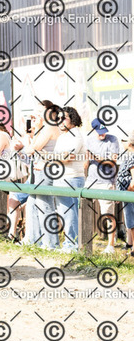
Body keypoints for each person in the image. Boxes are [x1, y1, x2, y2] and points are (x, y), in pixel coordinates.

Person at [13, 100, 61, 249]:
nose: (37, 115)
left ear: (49, 112)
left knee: (44, 205)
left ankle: (51, 243)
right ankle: (33, 239)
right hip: (37, 171)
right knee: (32, 204)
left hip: (46, 171)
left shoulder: (50, 127)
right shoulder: (43, 129)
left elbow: (32, 149)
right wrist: (30, 134)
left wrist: (25, 142)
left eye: (40, 111)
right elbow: (32, 149)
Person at [84, 118, 120, 254]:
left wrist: (95, 158)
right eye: (99, 132)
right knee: (83, 209)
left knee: (108, 214)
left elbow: (112, 162)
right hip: (91, 181)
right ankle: (84, 242)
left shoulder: (113, 140)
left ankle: (111, 245)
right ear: (94, 130)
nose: (102, 134)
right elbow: (86, 162)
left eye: (104, 131)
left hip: (106, 182)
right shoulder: (89, 140)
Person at [53, 106, 85, 253]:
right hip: (60, 178)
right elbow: (59, 157)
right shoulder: (62, 137)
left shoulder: (76, 135)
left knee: (70, 214)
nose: (60, 121)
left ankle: (72, 245)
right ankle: (69, 243)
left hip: (72, 178)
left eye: (63, 118)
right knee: (64, 213)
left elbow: (68, 157)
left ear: (72, 119)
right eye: (58, 118)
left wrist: (51, 158)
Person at [117, 130, 134, 257]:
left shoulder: (132, 156)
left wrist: (126, 192)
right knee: (130, 221)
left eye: (123, 140)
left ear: (129, 143)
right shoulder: (129, 156)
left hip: (130, 194)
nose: (121, 143)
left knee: (132, 222)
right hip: (126, 194)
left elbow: (133, 180)